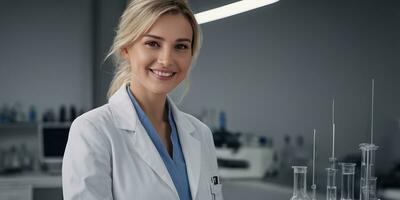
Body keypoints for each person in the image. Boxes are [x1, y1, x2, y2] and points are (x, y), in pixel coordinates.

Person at [62, 0, 223, 200]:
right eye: (153, 43)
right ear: (126, 48)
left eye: (180, 46)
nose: (166, 60)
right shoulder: (92, 131)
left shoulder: (201, 134)